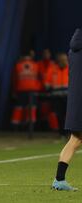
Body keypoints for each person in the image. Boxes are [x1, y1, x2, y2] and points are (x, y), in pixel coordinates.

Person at [52, 28, 81, 191]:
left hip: (76, 101)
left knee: (75, 139)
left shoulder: (74, 50)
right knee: (76, 139)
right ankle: (59, 180)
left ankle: (59, 179)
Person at [10, 54, 42, 130]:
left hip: (21, 90)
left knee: (19, 107)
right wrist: (38, 88)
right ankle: (31, 126)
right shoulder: (36, 65)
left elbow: (14, 79)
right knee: (32, 108)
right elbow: (40, 78)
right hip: (33, 90)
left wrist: (14, 91)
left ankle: (15, 126)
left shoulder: (18, 65)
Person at [45, 53, 69, 136]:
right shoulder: (52, 69)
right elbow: (47, 83)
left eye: (65, 59)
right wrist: (49, 89)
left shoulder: (70, 69)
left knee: (70, 115)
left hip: (68, 96)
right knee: (59, 115)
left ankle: (70, 133)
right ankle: (61, 133)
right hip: (56, 97)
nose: (65, 61)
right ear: (58, 61)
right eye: (63, 60)